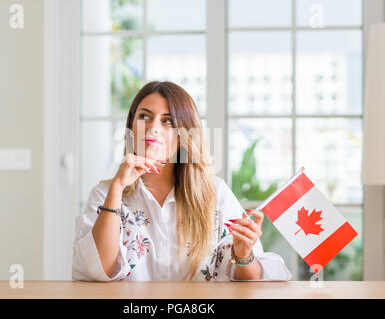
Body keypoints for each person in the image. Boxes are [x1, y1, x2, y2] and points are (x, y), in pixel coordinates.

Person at [72, 81, 292, 281]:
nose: (153, 127)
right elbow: (97, 271)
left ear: (183, 136)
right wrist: (117, 187)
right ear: (131, 128)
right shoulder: (105, 193)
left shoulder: (215, 193)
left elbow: (249, 279)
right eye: (144, 116)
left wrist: (243, 255)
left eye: (168, 121)